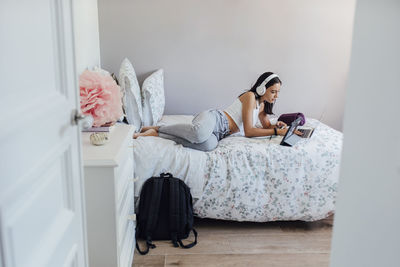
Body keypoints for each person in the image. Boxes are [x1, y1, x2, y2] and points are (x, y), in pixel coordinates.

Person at [133, 72, 301, 151]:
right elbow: (249, 131)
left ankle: (156, 135)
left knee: (207, 145)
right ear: (262, 88)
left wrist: (276, 126)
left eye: (278, 92)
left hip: (220, 134)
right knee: (198, 134)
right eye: (273, 91)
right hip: (215, 118)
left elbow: (265, 127)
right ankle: (158, 128)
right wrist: (275, 131)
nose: (276, 96)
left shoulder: (263, 107)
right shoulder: (250, 97)